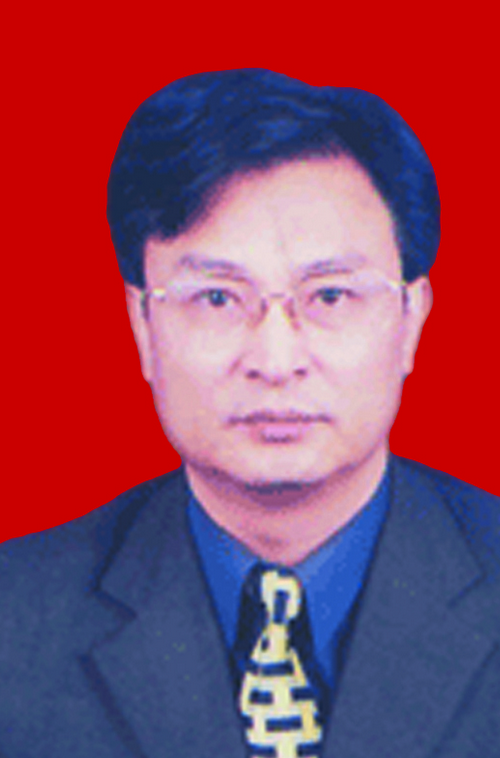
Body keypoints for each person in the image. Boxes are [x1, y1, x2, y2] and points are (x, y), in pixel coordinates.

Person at [0, 69, 499, 758]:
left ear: (412, 318)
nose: (275, 360)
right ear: (143, 325)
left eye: (329, 296)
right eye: (217, 299)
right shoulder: (16, 617)